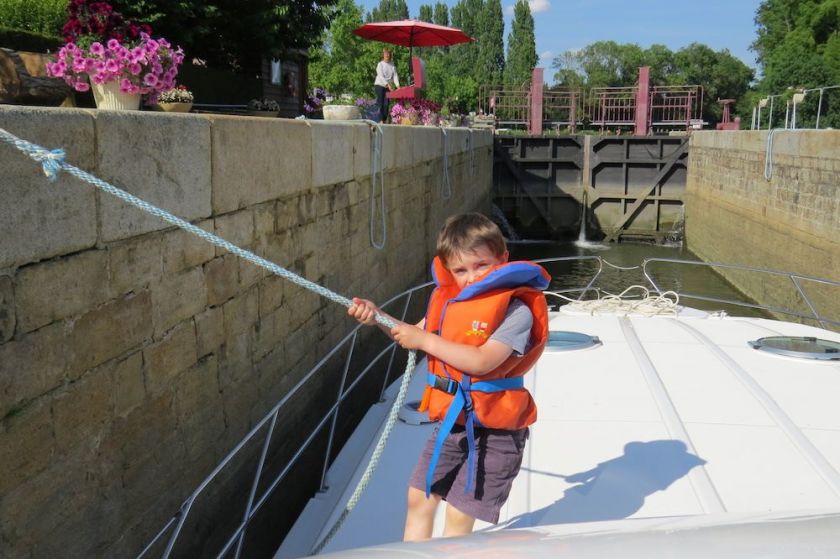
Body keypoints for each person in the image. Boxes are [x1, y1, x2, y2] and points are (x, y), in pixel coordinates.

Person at [348, 212, 550, 541]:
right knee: (419, 497)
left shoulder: (517, 310)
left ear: (503, 259)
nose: (471, 278)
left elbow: (483, 362)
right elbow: (412, 334)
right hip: (453, 422)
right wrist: (377, 316)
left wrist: (425, 340)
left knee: (458, 516)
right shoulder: (450, 303)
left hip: (497, 434)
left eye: (481, 265)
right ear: (448, 271)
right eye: (460, 270)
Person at [374, 49, 399, 123]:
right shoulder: (380, 64)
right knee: (381, 103)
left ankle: (383, 120)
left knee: (386, 104)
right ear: (383, 55)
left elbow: (395, 76)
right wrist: (388, 85)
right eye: (386, 54)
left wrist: (398, 86)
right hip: (380, 85)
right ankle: (380, 120)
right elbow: (381, 76)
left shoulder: (392, 65)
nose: (387, 55)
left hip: (388, 87)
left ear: (390, 55)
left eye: (388, 54)